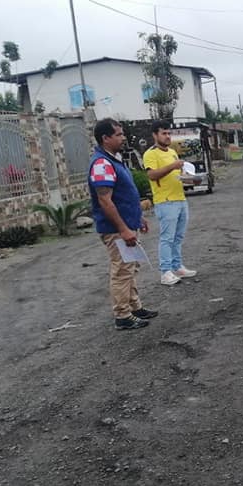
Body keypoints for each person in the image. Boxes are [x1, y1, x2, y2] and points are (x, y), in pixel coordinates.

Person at [87, 118, 157, 330]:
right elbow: (105, 200)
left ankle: (134, 307)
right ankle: (122, 315)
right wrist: (124, 229)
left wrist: (137, 218)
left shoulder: (114, 160)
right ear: (105, 138)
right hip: (116, 230)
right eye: (118, 134)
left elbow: (124, 195)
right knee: (122, 271)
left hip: (127, 225)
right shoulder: (102, 164)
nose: (123, 138)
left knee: (130, 268)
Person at [144, 120, 198, 286]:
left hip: (180, 198)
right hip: (165, 201)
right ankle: (165, 271)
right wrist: (172, 166)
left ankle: (177, 266)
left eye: (169, 133)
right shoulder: (151, 154)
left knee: (178, 236)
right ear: (155, 135)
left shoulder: (173, 152)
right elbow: (152, 175)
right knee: (167, 237)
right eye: (164, 133)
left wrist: (192, 180)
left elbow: (179, 175)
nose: (167, 136)